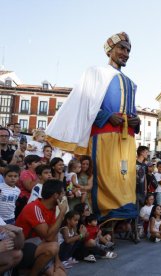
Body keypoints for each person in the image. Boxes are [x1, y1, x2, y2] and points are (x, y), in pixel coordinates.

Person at [46, 32, 140, 222]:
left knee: (125, 176)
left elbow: (131, 108)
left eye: (128, 50)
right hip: (103, 136)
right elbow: (84, 105)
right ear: (109, 50)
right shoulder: (95, 72)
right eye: (122, 48)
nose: (126, 53)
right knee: (105, 175)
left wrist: (136, 120)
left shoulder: (131, 83)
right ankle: (103, 214)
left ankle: (125, 212)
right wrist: (106, 115)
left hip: (127, 139)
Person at [15, 179, 67, 276]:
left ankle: (36, 271)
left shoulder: (51, 208)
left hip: (39, 246)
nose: (63, 196)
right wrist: (62, 214)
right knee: (52, 247)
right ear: (56, 195)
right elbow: (49, 237)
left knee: (61, 274)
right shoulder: (34, 207)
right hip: (21, 248)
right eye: (62, 193)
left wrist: (57, 260)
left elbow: (54, 235)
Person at [136, 146, 149, 210]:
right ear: (141, 152)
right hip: (135, 190)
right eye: (146, 152)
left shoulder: (144, 165)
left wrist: (145, 189)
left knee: (141, 210)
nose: (147, 154)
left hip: (142, 191)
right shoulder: (133, 163)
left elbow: (145, 177)